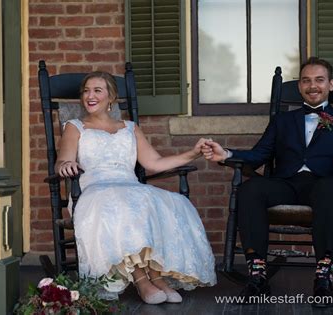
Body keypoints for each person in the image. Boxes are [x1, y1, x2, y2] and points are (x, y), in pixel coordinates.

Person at [202, 57, 333, 307]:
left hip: (323, 184)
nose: (312, 86)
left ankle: (323, 278)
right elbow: (259, 154)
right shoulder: (283, 121)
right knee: (250, 189)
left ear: (331, 85)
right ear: (300, 85)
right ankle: (258, 276)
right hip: (286, 183)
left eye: (319, 80)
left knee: (330, 191)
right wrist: (226, 154)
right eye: (306, 80)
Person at [56, 71, 217, 304]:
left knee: (165, 201)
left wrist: (193, 153)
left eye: (97, 91)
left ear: (111, 97)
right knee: (121, 203)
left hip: (130, 187)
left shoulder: (129, 128)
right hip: (94, 191)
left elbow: (155, 163)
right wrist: (66, 164)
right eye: (86, 91)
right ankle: (142, 281)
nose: (89, 96)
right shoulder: (75, 126)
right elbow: (62, 161)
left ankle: (158, 277)